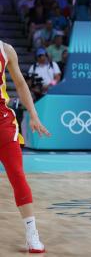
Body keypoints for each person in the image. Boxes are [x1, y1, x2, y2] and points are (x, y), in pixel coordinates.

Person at [0, 40, 50, 252]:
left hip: (2, 121)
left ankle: (32, 234)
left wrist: (34, 115)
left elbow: (20, 84)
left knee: (18, 175)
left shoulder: (6, 50)